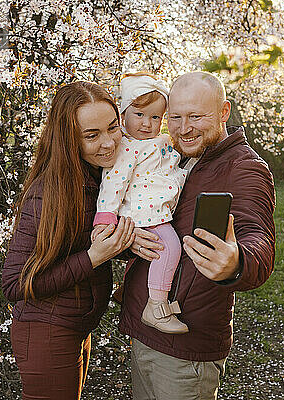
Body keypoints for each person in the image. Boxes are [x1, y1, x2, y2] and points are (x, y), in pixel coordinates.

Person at [115, 71, 276, 400]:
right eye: (175, 117)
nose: (184, 128)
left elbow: (256, 234)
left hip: (186, 350)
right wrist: (129, 239)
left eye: (196, 116)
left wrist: (237, 262)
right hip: (144, 329)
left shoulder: (244, 168)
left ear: (223, 112)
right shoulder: (166, 158)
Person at [2, 81, 135, 400]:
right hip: (46, 332)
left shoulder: (96, 178)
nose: (108, 143)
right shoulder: (50, 193)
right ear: (69, 139)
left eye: (113, 128)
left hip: (74, 325)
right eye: (92, 135)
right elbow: (13, 284)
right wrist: (95, 257)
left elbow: (86, 241)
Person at [92, 72, 188, 334]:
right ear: (123, 115)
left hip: (158, 208)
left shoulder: (160, 142)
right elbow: (112, 185)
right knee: (169, 247)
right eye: (139, 115)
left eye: (155, 117)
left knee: (152, 255)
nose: (147, 123)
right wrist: (105, 219)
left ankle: (129, 290)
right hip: (145, 214)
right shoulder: (126, 148)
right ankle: (156, 306)